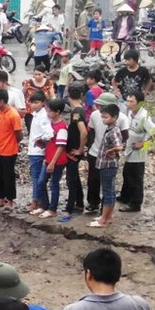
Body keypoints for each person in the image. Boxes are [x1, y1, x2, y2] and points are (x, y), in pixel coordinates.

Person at [0, 72, 26, 200]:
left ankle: (9, 199)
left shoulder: (14, 96)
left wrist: (7, 108)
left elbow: (22, 116)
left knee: (8, 172)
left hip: (8, 142)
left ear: (4, 82)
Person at [118, 91, 155, 212]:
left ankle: (135, 204)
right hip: (129, 150)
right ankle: (125, 197)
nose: (128, 104)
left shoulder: (144, 117)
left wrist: (143, 144)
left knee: (135, 178)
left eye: (131, 101)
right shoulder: (130, 113)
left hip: (138, 153)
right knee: (126, 174)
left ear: (139, 103)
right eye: (127, 101)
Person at [90, 103, 125, 228]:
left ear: (114, 117)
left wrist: (111, 151)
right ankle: (107, 218)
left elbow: (120, 146)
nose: (103, 119)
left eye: (106, 117)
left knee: (108, 192)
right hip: (105, 164)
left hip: (108, 165)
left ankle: (103, 220)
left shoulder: (113, 131)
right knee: (109, 191)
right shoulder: (109, 129)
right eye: (102, 117)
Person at [0, 89, 24, 211]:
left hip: (9, 150)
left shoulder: (13, 115)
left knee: (8, 176)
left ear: (2, 101)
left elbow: (19, 134)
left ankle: (10, 200)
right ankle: (0, 197)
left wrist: (12, 143)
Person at [61, 84, 88, 221]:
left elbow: (83, 131)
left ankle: (69, 209)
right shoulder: (79, 109)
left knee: (71, 180)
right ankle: (79, 203)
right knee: (75, 178)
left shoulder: (76, 112)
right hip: (73, 149)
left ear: (68, 93)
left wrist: (80, 149)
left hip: (73, 151)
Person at [24, 91, 54, 215]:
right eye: (32, 102)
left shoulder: (43, 116)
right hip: (34, 151)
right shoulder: (36, 114)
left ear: (43, 103)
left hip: (37, 152)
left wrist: (40, 140)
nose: (34, 105)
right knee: (36, 177)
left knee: (37, 178)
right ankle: (41, 201)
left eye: (36, 102)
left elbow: (49, 133)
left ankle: (36, 201)